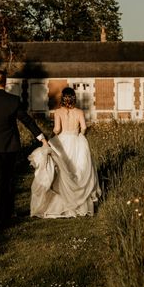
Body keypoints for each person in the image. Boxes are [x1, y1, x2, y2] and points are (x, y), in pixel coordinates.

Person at [0, 70, 48, 228]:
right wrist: (41, 137)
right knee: (9, 179)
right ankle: (8, 213)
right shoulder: (13, 100)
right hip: (10, 146)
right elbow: (27, 121)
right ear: (4, 83)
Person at [29, 87, 101, 218]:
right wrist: (80, 135)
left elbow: (57, 129)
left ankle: (62, 203)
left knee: (62, 172)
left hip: (62, 142)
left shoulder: (58, 112)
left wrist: (53, 136)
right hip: (77, 141)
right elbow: (84, 128)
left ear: (62, 98)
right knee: (78, 171)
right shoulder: (79, 112)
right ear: (74, 98)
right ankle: (80, 204)